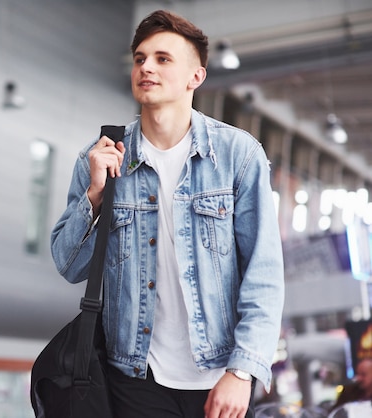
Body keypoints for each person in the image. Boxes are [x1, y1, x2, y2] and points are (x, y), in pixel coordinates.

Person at [50, 9, 284, 418]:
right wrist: (95, 194)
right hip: (135, 378)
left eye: (163, 59)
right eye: (140, 58)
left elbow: (263, 274)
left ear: (196, 76)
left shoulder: (236, 156)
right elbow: (70, 266)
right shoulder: (104, 156)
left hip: (219, 379)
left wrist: (243, 372)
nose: (147, 68)